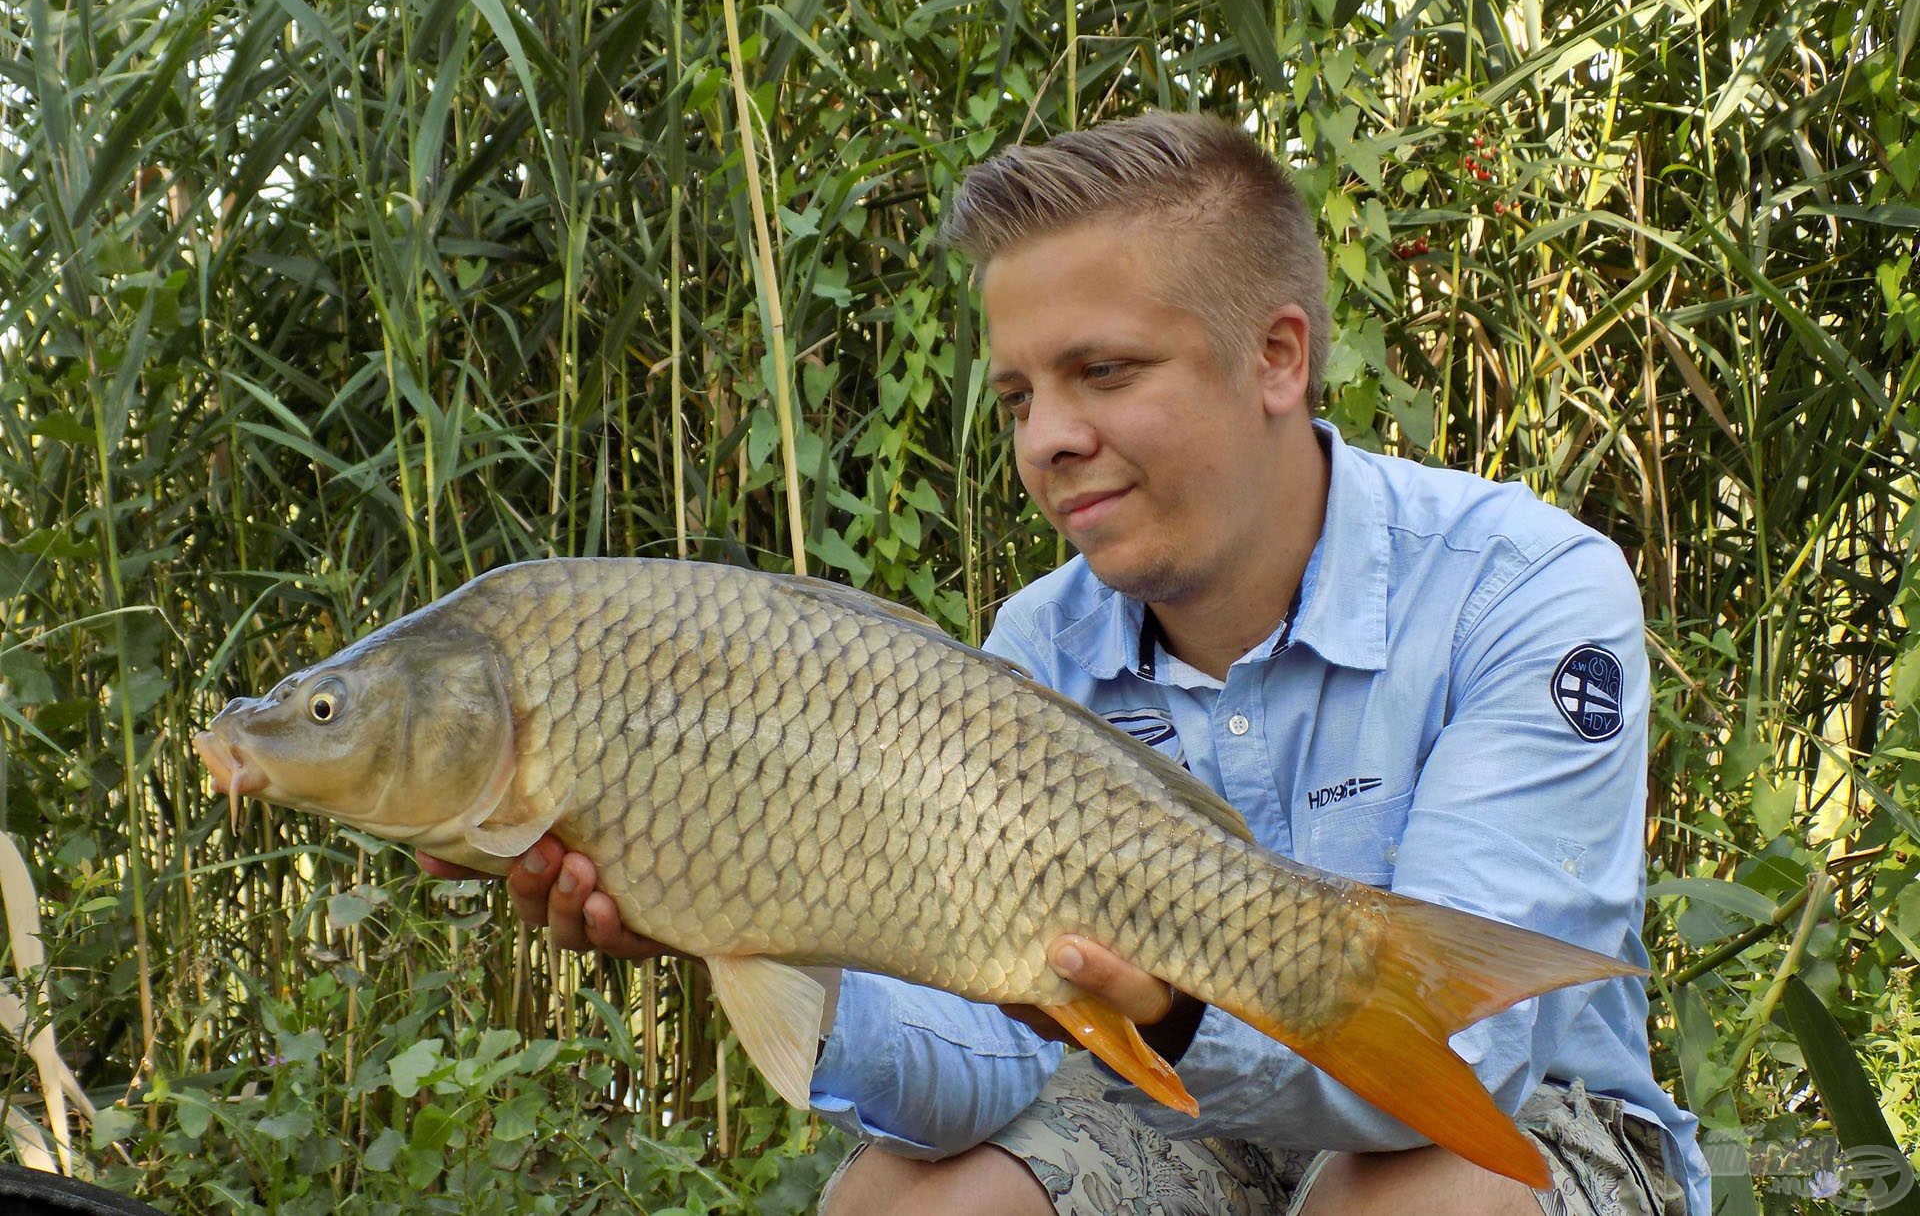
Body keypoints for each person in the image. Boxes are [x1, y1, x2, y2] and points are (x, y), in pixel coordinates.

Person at [421, 111, 1709, 1215]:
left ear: (1277, 356)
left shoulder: (1524, 588)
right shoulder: (1035, 646)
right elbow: (982, 1069)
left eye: (1102, 373)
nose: (1048, 440)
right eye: (1018, 398)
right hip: (1189, 1124)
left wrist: (1179, 1011)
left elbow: (1469, 1063)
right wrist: (759, 940)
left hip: (1532, 1121)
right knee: (898, 1202)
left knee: (1419, 1199)